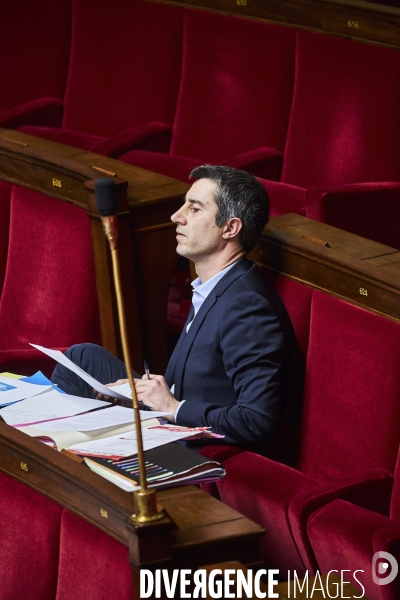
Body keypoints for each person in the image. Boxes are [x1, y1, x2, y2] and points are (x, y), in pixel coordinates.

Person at [51, 165, 291, 448]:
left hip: (191, 442)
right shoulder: (212, 283)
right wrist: (137, 393)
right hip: (169, 417)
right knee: (81, 359)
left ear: (230, 228)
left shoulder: (248, 307)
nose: (177, 216)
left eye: (195, 209)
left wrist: (173, 407)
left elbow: (256, 420)